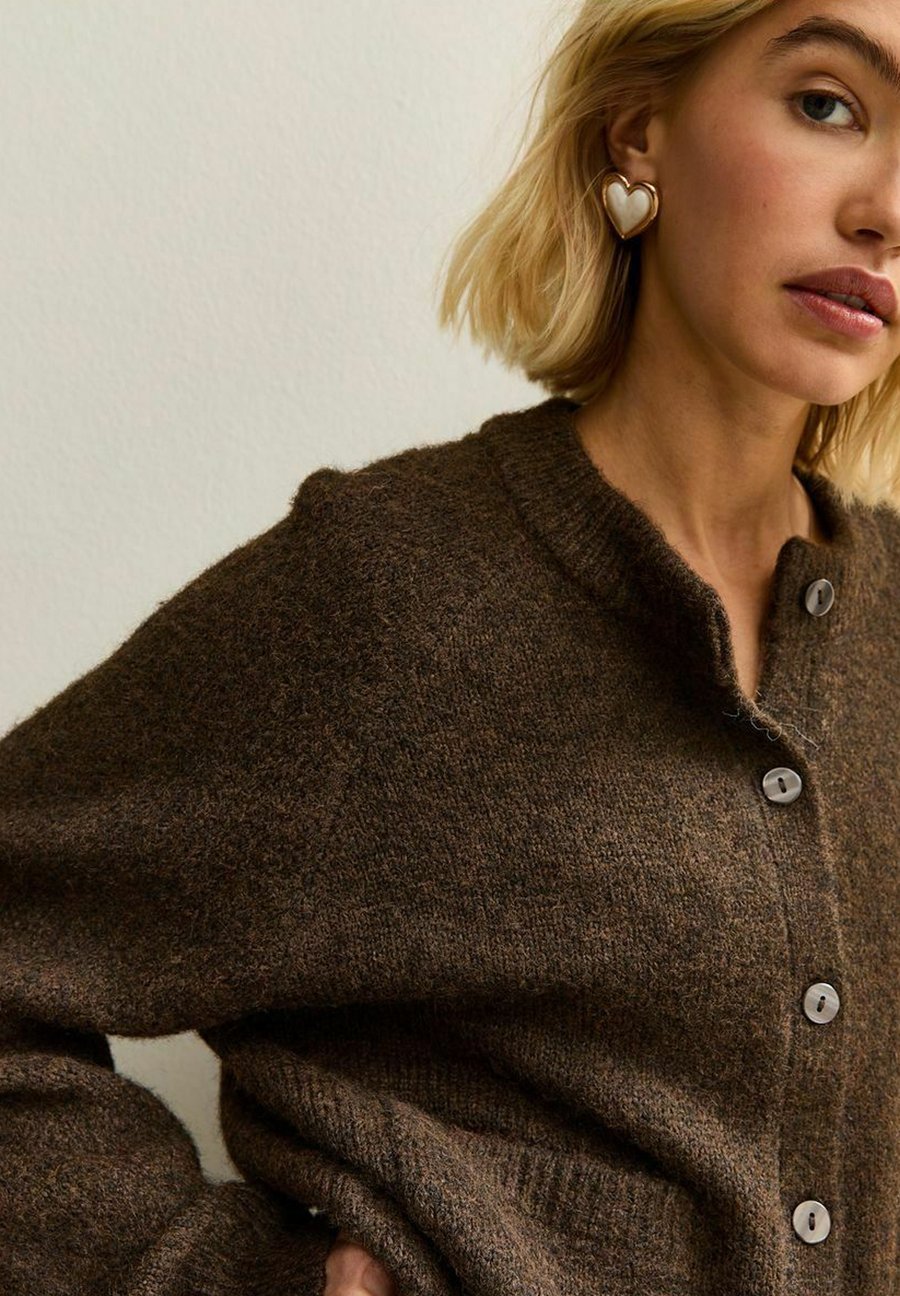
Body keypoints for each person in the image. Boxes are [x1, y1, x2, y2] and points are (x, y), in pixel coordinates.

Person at [2, 0, 899, 1294]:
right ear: (638, 132)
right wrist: (212, 1276)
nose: (886, 210)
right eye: (826, 105)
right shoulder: (397, 587)